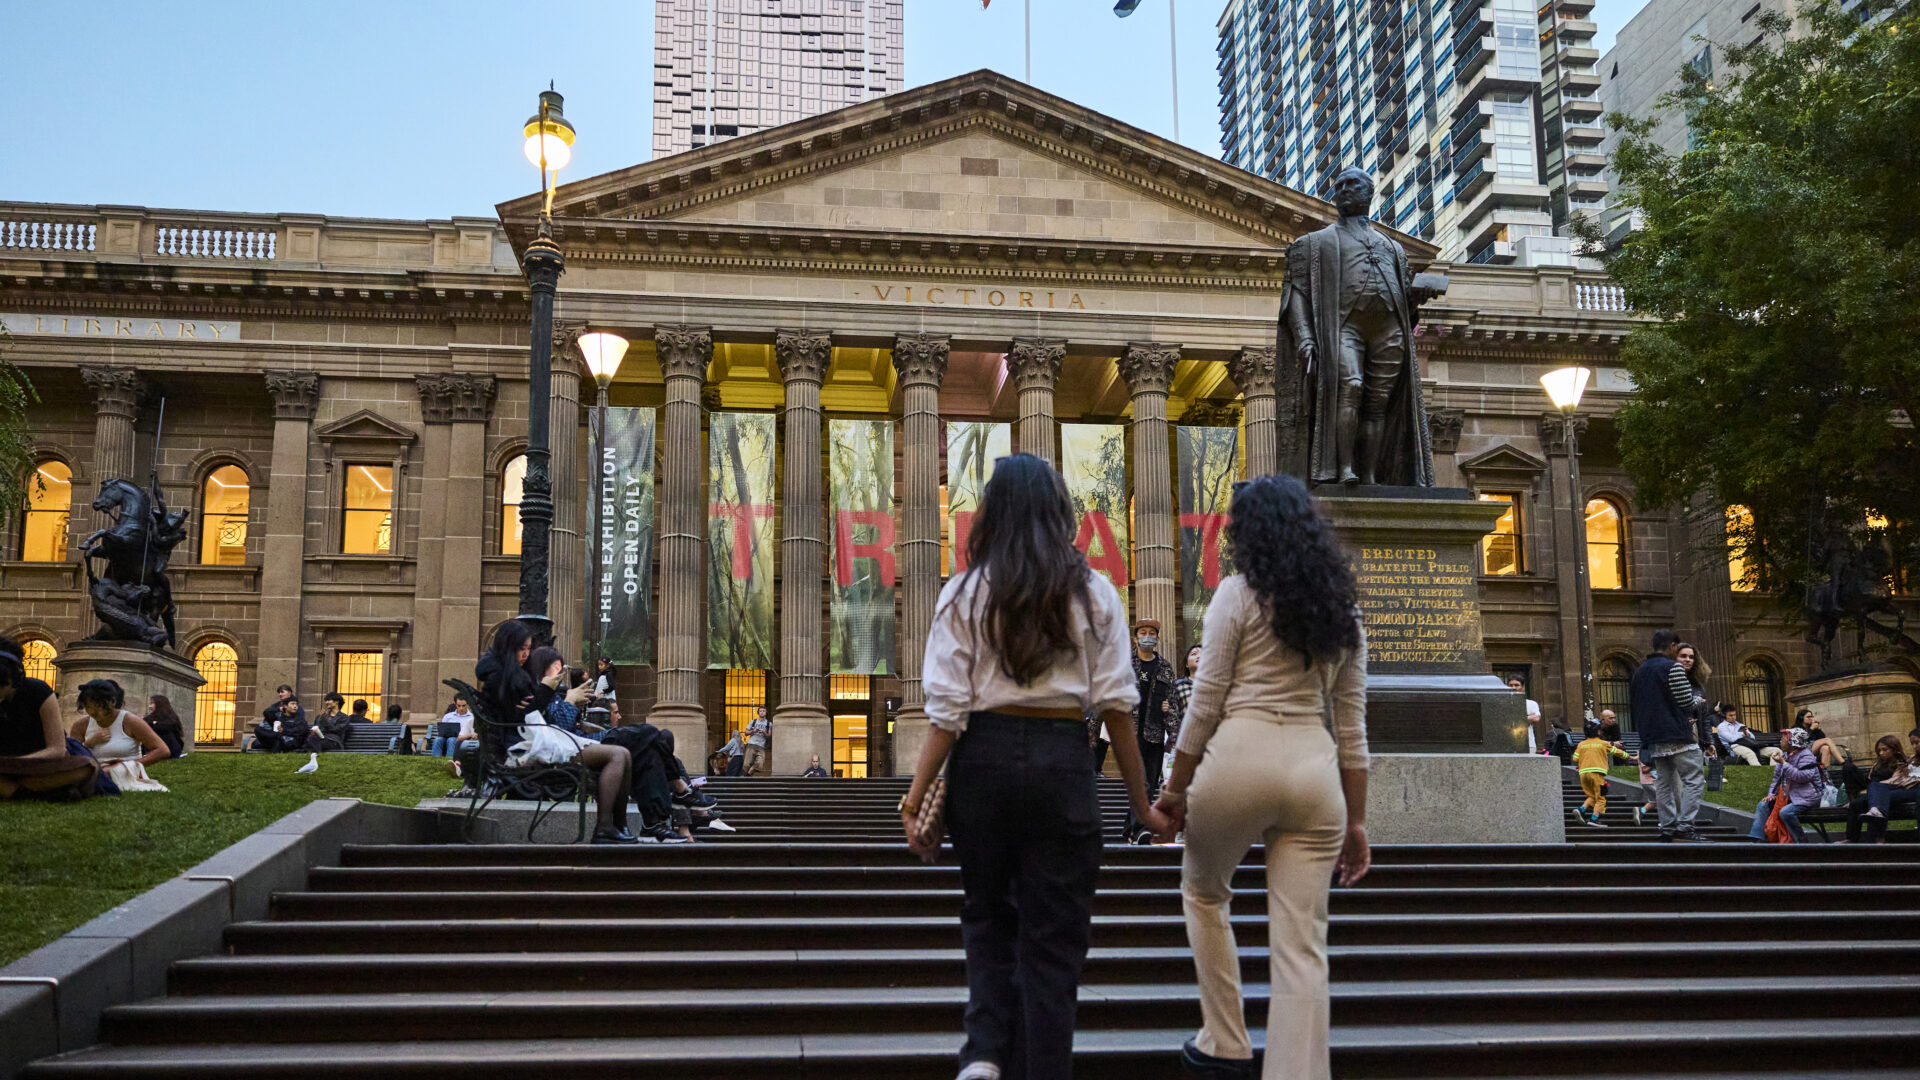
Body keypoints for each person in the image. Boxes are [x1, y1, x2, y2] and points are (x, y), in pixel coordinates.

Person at [904, 453, 1169, 1080]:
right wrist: (1142, 804)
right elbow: (1117, 709)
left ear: (991, 514)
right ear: (1059, 513)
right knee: (1053, 946)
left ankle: (984, 1054)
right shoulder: (1094, 592)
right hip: (1060, 760)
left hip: (983, 763)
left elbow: (947, 712)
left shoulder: (963, 593)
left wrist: (916, 799)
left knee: (988, 917)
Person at [1150, 473, 1370, 1080]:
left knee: (1203, 891)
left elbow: (1207, 702)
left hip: (1237, 759)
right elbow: (1353, 734)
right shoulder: (1343, 612)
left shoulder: (1238, 594)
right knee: (1302, 944)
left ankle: (1225, 1038)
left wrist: (1173, 792)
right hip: (1314, 768)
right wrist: (1356, 822)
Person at [476, 620, 639, 845]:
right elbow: (521, 718)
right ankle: (605, 828)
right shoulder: (501, 678)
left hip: (538, 739)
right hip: (527, 748)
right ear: (508, 646)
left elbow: (528, 713)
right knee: (618, 755)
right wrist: (545, 689)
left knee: (624, 754)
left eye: (528, 648)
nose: (525, 654)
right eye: (520, 648)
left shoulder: (509, 675)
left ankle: (617, 827)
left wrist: (544, 691)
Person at [1631, 629, 1711, 842]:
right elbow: (1685, 701)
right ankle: (1685, 826)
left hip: (1652, 735)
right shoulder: (1672, 667)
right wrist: (1697, 702)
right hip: (1676, 732)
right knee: (1694, 779)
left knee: (1664, 784)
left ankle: (1667, 827)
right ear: (1672, 646)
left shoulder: (1639, 671)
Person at [0, 642, 105, 801]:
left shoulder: (38, 691)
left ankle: (14, 789)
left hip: (39, 763)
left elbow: (56, 749)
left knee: (87, 767)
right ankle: (34, 792)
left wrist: (16, 763)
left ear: (14, 678)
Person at [1125, 618, 1180, 844]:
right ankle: (1139, 828)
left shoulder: (1165, 667)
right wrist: (1093, 731)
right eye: (1143, 632)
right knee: (1141, 783)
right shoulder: (1125, 663)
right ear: (1136, 638)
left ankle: (1131, 830)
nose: (1147, 636)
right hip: (1129, 731)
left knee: (1150, 781)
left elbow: (1173, 703)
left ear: (1157, 639)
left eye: (1151, 633)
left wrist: (1174, 736)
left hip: (1155, 733)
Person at [70, 679, 170, 791]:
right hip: (93, 769)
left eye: (98, 707)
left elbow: (162, 750)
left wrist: (131, 766)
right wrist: (88, 744)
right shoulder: (80, 725)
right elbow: (72, 756)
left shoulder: (130, 721)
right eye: (88, 707)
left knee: (105, 773)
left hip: (125, 771)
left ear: (112, 702)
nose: (93, 712)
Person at [1750, 727, 1823, 843]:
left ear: (1793, 742)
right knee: (1763, 805)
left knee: (1786, 812)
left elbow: (1802, 777)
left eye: (1783, 739)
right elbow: (1776, 779)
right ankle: (1758, 839)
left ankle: (1801, 839)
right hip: (1788, 796)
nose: (1780, 741)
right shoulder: (1785, 755)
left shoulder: (1806, 756)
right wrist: (1771, 794)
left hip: (1807, 797)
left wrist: (1784, 764)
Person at [1846, 734, 1915, 843]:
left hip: (1892, 791)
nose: (1881, 753)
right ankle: (1851, 839)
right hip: (1874, 792)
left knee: (1879, 800)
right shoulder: (1877, 764)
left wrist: (1875, 788)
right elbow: (1869, 780)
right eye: (1879, 750)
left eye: (1885, 749)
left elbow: (1894, 782)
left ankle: (1879, 839)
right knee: (1856, 803)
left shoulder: (1901, 763)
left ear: (1894, 749)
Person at [1572, 719, 1633, 827]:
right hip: (1597, 774)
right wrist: (1630, 757)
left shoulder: (1581, 744)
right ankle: (1594, 818)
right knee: (1601, 797)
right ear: (1599, 732)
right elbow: (1617, 752)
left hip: (1583, 774)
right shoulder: (1603, 743)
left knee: (1592, 795)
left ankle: (1581, 809)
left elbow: (1575, 759)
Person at [1713, 704, 1779, 766]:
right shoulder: (1721, 727)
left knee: (1776, 750)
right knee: (1750, 754)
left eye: (1734, 715)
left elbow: (1752, 737)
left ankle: (1773, 771)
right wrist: (1742, 733)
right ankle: (1759, 771)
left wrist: (1746, 734)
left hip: (1749, 745)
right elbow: (1731, 739)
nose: (1733, 717)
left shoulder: (1740, 725)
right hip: (1734, 747)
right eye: (1730, 715)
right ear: (1725, 716)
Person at [1506, 676, 1542, 754]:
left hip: (1529, 744)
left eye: (1516, 685)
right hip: (1506, 744)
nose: (1513, 688)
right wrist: (1527, 718)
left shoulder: (1531, 703)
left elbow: (1536, 718)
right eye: (1510, 685)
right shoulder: (1503, 703)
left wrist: (1514, 720)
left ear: (1522, 687)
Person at [143, 695, 185, 760]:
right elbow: (144, 725)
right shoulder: (149, 718)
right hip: (153, 748)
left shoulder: (171, 718)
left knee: (164, 732)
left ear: (160, 705)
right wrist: (154, 723)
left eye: (152, 703)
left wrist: (155, 724)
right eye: (150, 704)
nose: (149, 706)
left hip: (171, 749)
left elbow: (167, 727)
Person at [744, 705, 771, 775]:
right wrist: (753, 731)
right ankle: (747, 778)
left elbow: (769, 736)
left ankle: (751, 771)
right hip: (751, 744)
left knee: (760, 763)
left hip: (761, 746)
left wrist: (764, 732)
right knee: (746, 764)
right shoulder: (753, 722)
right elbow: (746, 733)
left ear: (766, 713)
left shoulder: (769, 724)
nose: (762, 712)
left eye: (763, 711)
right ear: (758, 713)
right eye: (760, 711)